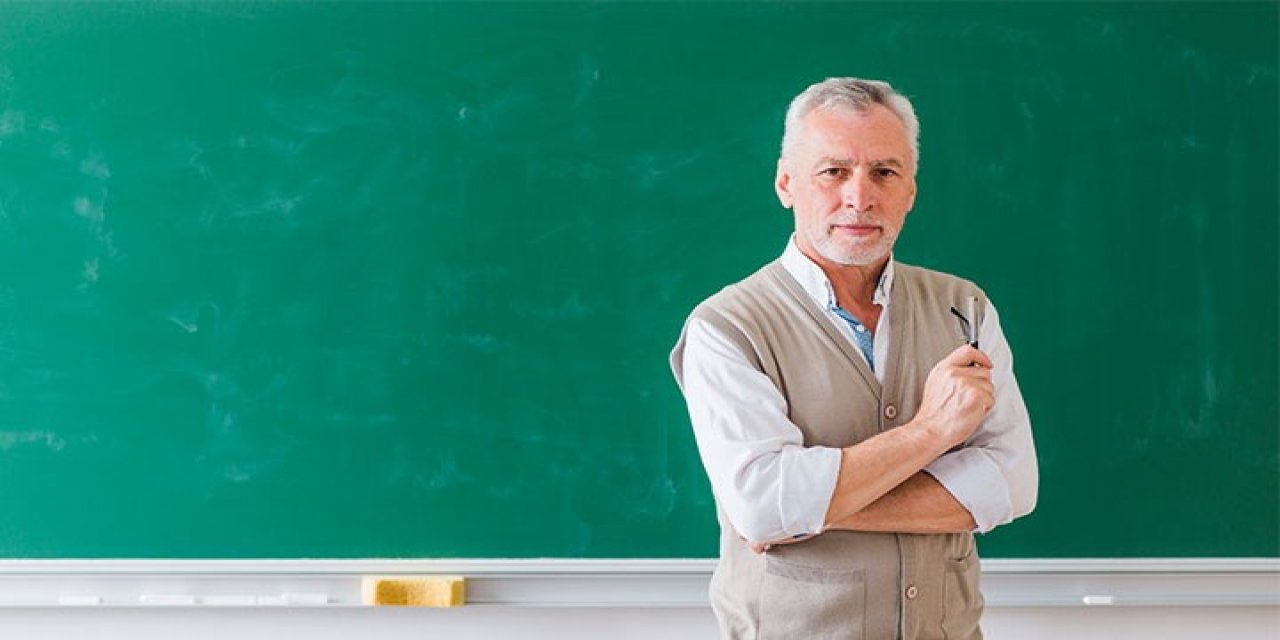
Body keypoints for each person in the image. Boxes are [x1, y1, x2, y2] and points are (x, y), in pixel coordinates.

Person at [670, 77, 1038, 640]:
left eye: (884, 173)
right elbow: (764, 503)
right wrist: (932, 432)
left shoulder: (964, 309)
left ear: (910, 190)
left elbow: (1012, 485)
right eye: (834, 172)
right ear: (787, 183)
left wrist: (813, 507)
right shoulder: (727, 327)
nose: (860, 197)